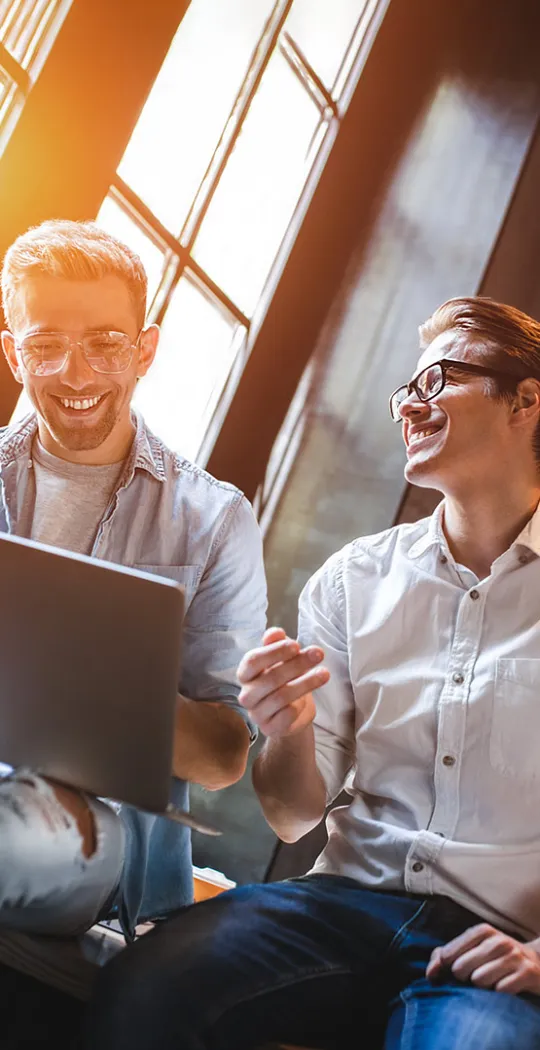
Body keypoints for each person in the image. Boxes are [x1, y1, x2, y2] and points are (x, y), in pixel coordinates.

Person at [85, 296, 540, 1050]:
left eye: (438, 382)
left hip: (496, 941)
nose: (410, 407)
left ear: (526, 399)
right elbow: (293, 814)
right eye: (405, 392)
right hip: (337, 907)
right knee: (147, 984)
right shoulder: (353, 578)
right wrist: (288, 732)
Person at [0, 219, 266, 943]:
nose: (77, 375)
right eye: (46, 345)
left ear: (144, 350)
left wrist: (71, 674)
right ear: (12, 355)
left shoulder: (213, 519)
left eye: (106, 344)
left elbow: (221, 756)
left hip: (93, 833)